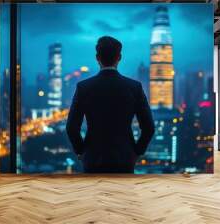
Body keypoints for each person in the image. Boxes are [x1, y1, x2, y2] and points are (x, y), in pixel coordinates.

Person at [66, 36, 155, 173]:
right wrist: (136, 152)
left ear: (97, 57)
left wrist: (81, 152)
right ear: (119, 57)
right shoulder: (134, 87)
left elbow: (72, 127)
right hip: (124, 157)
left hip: (93, 158)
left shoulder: (84, 87)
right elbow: (148, 127)